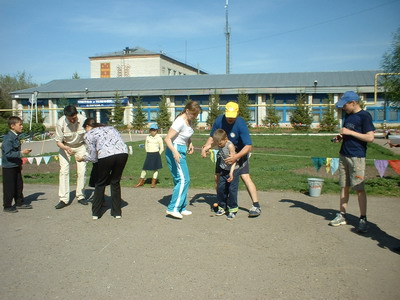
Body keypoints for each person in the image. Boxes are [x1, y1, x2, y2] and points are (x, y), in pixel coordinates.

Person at [201, 101, 262, 217]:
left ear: (237, 113)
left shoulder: (241, 123)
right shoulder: (219, 120)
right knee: (218, 178)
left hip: (239, 152)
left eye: (232, 116)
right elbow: (212, 137)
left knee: (245, 177)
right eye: (228, 116)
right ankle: (222, 203)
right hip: (223, 153)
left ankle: (256, 206)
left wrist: (236, 157)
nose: (230, 119)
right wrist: (206, 147)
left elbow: (248, 146)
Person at [329, 91, 375, 233]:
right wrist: (340, 137)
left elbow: (370, 138)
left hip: (357, 157)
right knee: (344, 186)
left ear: (353, 103)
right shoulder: (348, 116)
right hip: (344, 155)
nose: (343, 108)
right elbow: (346, 132)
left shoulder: (365, 116)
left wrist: (350, 133)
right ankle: (342, 215)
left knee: (359, 189)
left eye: (345, 105)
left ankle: (363, 218)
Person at [76, 118, 128, 219]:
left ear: (87, 126)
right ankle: (117, 212)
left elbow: (93, 156)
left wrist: (82, 158)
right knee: (115, 182)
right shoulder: (111, 128)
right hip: (123, 153)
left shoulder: (89, 134)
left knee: (100, 183)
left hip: (106, 155)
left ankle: (96, 213)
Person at [164, 101, 202, 219]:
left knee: (181, 179)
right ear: (187, 111)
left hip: (181, 149)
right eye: (193, 115)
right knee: (184, 179)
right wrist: (175, 152)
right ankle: (172, 208)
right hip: (174, 149)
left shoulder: (188, 120)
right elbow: (167, 138)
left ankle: (181, 207)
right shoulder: (179, 121)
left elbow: (185, 135)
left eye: (196, 115)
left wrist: (190, 143)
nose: (195, 117)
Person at [54, 105, 87, 209]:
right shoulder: (60, 123)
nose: (72, 120)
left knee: (82, 171)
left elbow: (88, 135)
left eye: (74, 117)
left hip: (81, 146)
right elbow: (58, 142)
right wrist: (66, 148)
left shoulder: (83, 120)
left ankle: (80, 195)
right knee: (64, 171)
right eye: (70, 118)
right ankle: (63, 199)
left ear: (77, 114)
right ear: (66, 116)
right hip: (65, 146)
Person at [1, 116, 33, 213]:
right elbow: (8, 153)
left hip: (15, 165)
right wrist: (22, 153)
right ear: (12, 126)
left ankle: (19, 202)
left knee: (19, 185)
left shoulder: (15, 136)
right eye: (20, 124)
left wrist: (20, 161)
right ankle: (7, 206)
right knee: (9, 187)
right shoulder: (8, 138)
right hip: (9, 166)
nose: (22, 126)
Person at [212, 129, 240, 220]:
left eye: (220, 144)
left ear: (226, 139)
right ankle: (222, 207)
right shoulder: (219, 143)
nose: (218, 146)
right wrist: (206, 149)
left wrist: (231, 173)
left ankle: (232, 209)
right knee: (221, 188)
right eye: (217, 144)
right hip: (223, 170)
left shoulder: (230, 146)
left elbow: (234, 160)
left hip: (233, 170)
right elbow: (212, 145)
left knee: (232, 189)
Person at [134, 123, 164, 188]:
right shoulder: (148, 137)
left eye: (154, 130)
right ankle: (141, 182)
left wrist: (158, 154)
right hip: (149, 154)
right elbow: (146, 145)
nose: (153, 132)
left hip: (156, 154)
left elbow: (162, 148)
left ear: (157, 131)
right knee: (144, 168)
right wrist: (147, 151)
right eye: (151, 130)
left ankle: (153, 183)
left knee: (155, 169)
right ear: (150, 130)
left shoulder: (159, 138)